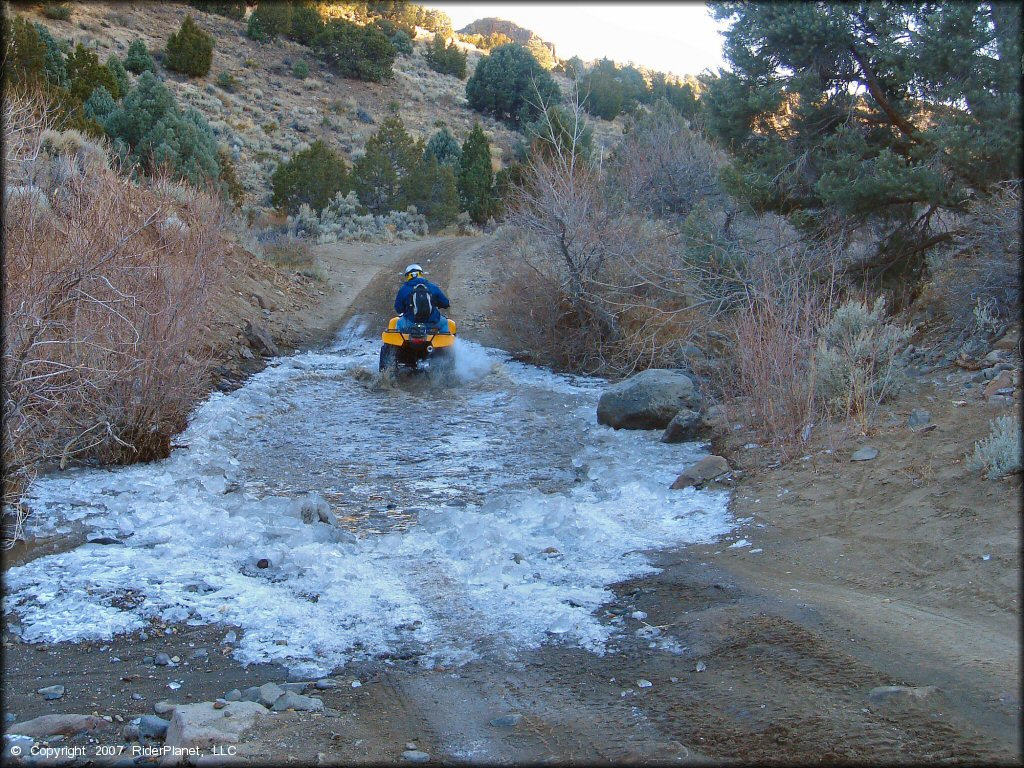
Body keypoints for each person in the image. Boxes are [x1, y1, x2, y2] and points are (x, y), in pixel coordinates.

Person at [394, 263, 450, 333]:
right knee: (445, 323)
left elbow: (398, 309)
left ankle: (397, 344)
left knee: (398, 324)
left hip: (411, 322)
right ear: (421, 274)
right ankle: (446, 343)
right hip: (432, 321)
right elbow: (445, 303)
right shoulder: (432, 287)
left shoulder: (404, 289)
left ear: (408, 276)